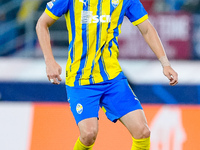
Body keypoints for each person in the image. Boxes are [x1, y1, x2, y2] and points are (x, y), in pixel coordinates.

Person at [36, 0, 178, 149]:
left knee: (142, 132)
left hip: (112, 78)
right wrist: (49, 61)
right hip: (80, 79)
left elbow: (147, 29)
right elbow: (42, 24)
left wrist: (165, 63)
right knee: (88, 135)